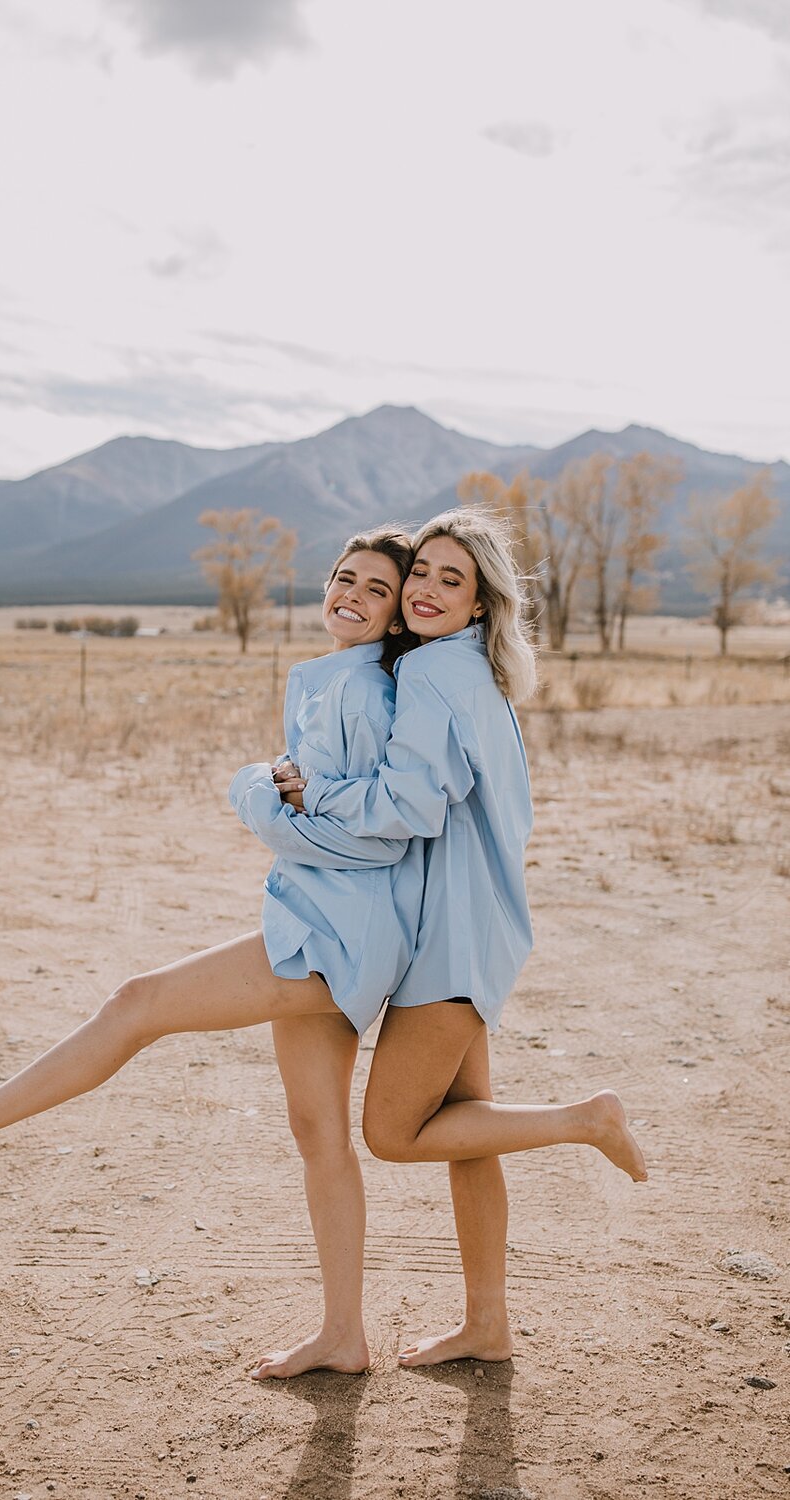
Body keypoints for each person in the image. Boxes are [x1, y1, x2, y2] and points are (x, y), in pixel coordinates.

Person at [0, 526, 423, 1382]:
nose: (349, 594)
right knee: (318, 1131)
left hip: (336, 935)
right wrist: (280, 801)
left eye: (374, 589)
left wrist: (255, 797)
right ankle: (344, 1335)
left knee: (138, 1003)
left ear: (395, 614)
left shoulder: (363, 691)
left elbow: (377, 836)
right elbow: (327, 812)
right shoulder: (331, 677)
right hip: (328, 921)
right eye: (343, 577)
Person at [275, 508, 647, 1369]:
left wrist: (305, 799)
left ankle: (584, 1120)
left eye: (454, 579)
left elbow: (409, 807)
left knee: (393, 1133)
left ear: (482, 603)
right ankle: (487, 1323)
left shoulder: (436, 675)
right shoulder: (475, 674)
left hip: (449, 935)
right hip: (480, 923)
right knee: (468, 1129)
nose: (428, 589)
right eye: (423, 574)